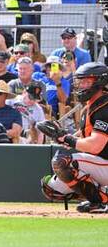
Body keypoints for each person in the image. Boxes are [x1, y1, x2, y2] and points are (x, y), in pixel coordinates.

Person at [39, 63, 108, 212]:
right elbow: (83, 137)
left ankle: (101, 200)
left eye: (87, 82)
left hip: (105, 163)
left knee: (62, 162)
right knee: (51, 189)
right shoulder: (89, 106)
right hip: (99, 164)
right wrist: (63, 136)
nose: (82, 85)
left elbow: (96, 145)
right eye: (80, 81)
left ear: (100, 82)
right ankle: (98, 195)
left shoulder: (105, 107)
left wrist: (69, 139)